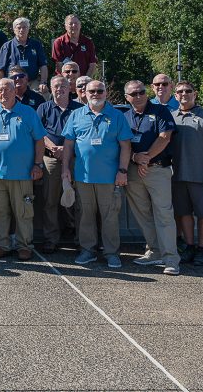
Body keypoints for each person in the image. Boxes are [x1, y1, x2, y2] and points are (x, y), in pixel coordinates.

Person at [61, 80, 132, 269]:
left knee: (110, 217)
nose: (95, 94)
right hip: (82, 177)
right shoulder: (76, 115)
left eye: (100, 91)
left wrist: (122, 171)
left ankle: (111, 253)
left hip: (109, 178)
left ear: (106, 93)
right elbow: (68, 145)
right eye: (91, 91)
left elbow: (126, 146)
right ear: (84, 92)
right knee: (85, 216)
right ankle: (88, 251)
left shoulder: (117, 116)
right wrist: (65, 169)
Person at [0, 78, 46, 261]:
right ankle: (1, 245)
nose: (2, 93)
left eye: (7, 89)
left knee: (23, 212)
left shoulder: (28, 113)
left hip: (22, 174)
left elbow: (39, 140)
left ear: (14, 91)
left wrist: (38, 164)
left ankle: (24, 246)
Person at [121, 80, 180, 275]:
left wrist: (145, 159)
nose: (138, 96)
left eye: (141, 92)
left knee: (164, 214)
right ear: (126, 98)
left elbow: (165, 137)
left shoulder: (160, 111)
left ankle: (171, 258)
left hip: (157, 169)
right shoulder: (125, 116)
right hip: (133, 170)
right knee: (143, 214)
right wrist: (135, 158)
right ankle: (154, 252)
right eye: (134, 94)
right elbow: (121, 143)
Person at [170, 82, 203, 266]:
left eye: (188, 91)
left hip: (202, 176)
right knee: (183, 213)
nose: (184, 94)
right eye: (180, 91)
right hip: (177, 176)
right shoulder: (171, 117)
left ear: (195, 94)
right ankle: (190, 246)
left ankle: (202, 249)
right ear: (175, 95)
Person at [36, 75, 82, 253]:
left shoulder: (79, 109)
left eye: (63, 85)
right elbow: (38, 132)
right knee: (50, 200)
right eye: (56, 86)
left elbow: (84, 133)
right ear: (50, 88)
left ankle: (81, 239)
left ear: (69, 87)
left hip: (75, 160)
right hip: (51, 159)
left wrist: (67, 149)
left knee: (79, 201)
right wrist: (53, 146)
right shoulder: (44, 108)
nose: (59, 89)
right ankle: (51, 239)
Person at [0, 17, 48, 88]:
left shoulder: (36, 45)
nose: (21, 30)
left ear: (28, 29)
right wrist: (0, 85)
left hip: (32, 82)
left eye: (24, 27)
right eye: (19, 27)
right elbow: (0, 69)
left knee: (44, 94)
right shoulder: (7, 46)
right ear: (14, 30)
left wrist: (43, 82)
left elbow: (43, 65)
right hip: (13, 82)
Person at [52, 14, 97, 79]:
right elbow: (59, 65)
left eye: (76, 23)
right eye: (70, 23)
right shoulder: (59, 42)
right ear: (65, 26)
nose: (74, 25)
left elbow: (92, 64)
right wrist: (67, 81)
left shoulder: (88, 42)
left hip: (83, 81)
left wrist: (85, 80)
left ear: (80, 25)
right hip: (64, 80)